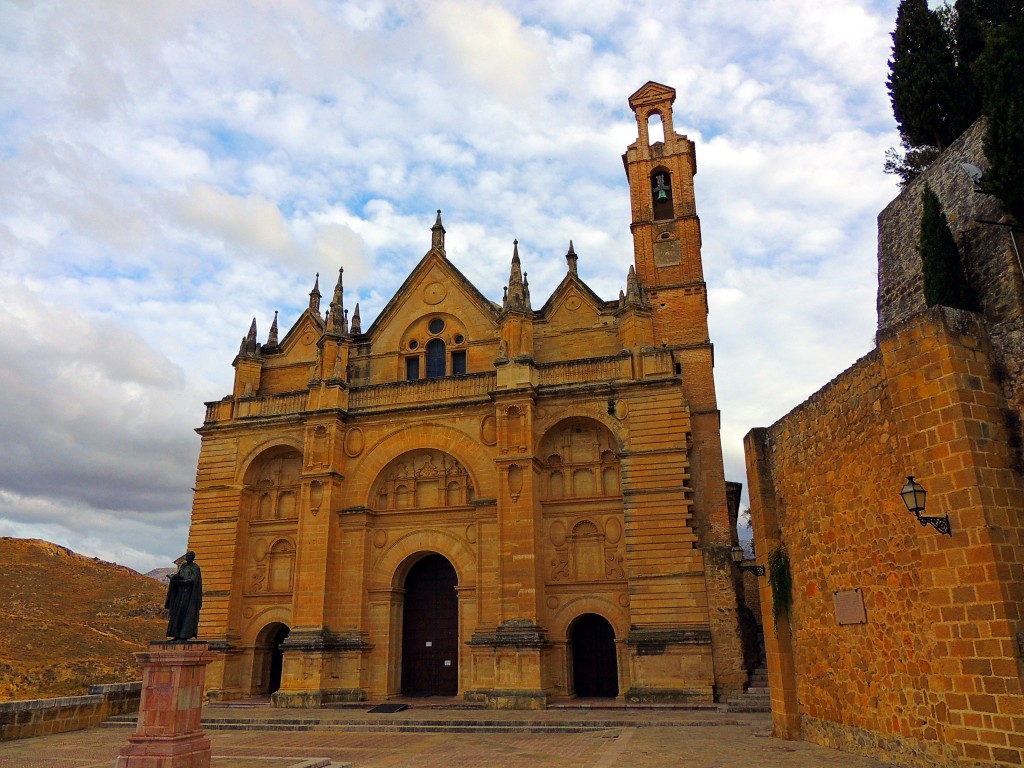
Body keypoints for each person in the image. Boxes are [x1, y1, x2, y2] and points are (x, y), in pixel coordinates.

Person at [165, 551, 202, 641]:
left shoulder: (195, 568)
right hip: (180, 594)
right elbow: (178, 576)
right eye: (188, 555)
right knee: (176, 614)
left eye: (191, 556)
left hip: (188, 595)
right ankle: (176, 634)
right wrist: (173, 578)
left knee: (185, 614)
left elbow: (193, 580)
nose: (189, 557)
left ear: (193, 557)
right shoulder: (183, 566)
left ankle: (184, 635)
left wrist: (181, 582)